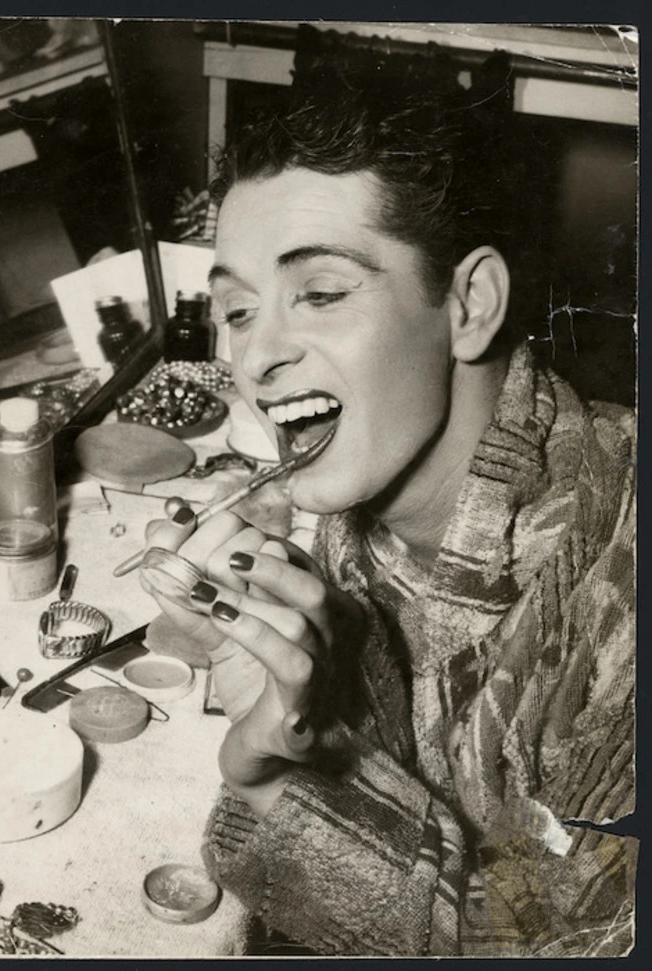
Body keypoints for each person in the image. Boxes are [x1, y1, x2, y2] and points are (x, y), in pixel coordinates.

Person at [140, 86, 636, 956]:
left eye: (321, 292)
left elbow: (558, 941)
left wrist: (266, 783)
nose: (255, 359)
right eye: (240, 310)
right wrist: (299, 722)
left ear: (470, 304)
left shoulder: (614, 582)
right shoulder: (352, 496)